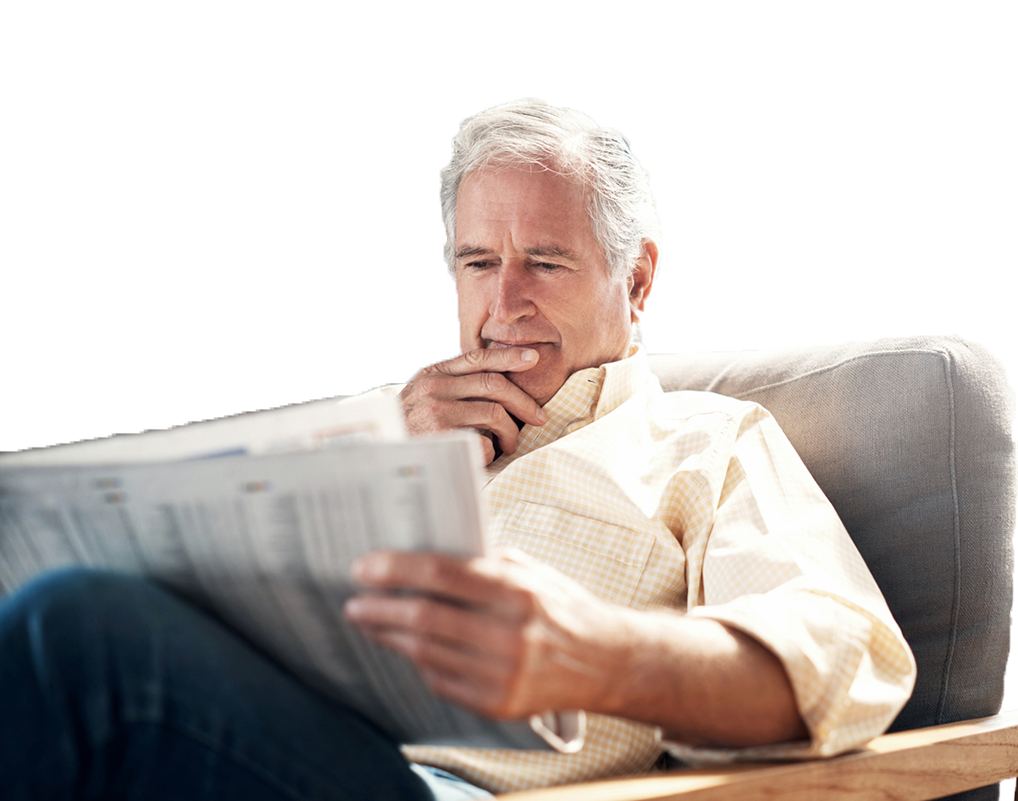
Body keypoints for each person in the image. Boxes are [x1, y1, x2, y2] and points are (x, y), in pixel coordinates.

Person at [0, 99, 915, 800]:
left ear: (635, 280)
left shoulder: (702, 442)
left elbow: (848, 656)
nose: (504, 302)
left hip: (449, 787)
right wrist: (387, 438)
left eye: (545, 262)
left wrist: (593, 654)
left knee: (71, 628)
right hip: (253, 741)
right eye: (479, 262)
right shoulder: (378, 420)